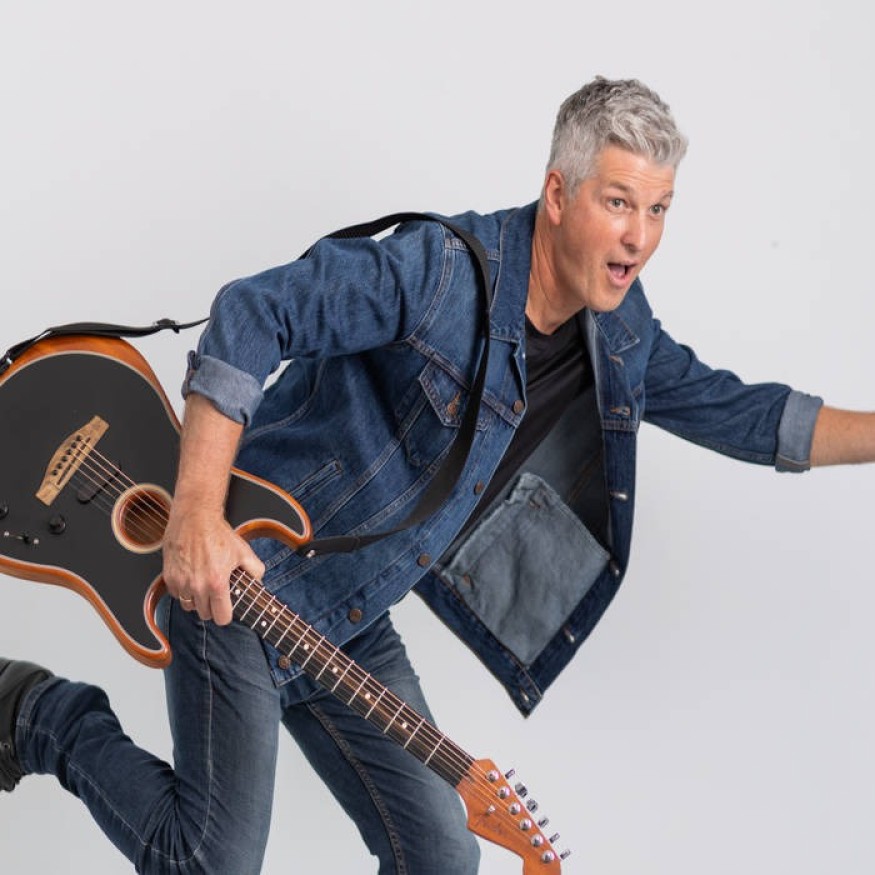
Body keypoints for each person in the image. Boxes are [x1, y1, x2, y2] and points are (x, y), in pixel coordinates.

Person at [2, 76, 874, 874]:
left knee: (442, 857)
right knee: (209, 861)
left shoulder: (621, 335)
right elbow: (252, 313)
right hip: (239, 573)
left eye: (657, 209)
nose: (638, 238)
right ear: (558, 195)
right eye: (617, 202)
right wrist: (195, 513)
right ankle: (40, 714)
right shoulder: (441, 273)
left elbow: (746, 415)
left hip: (347, 616)